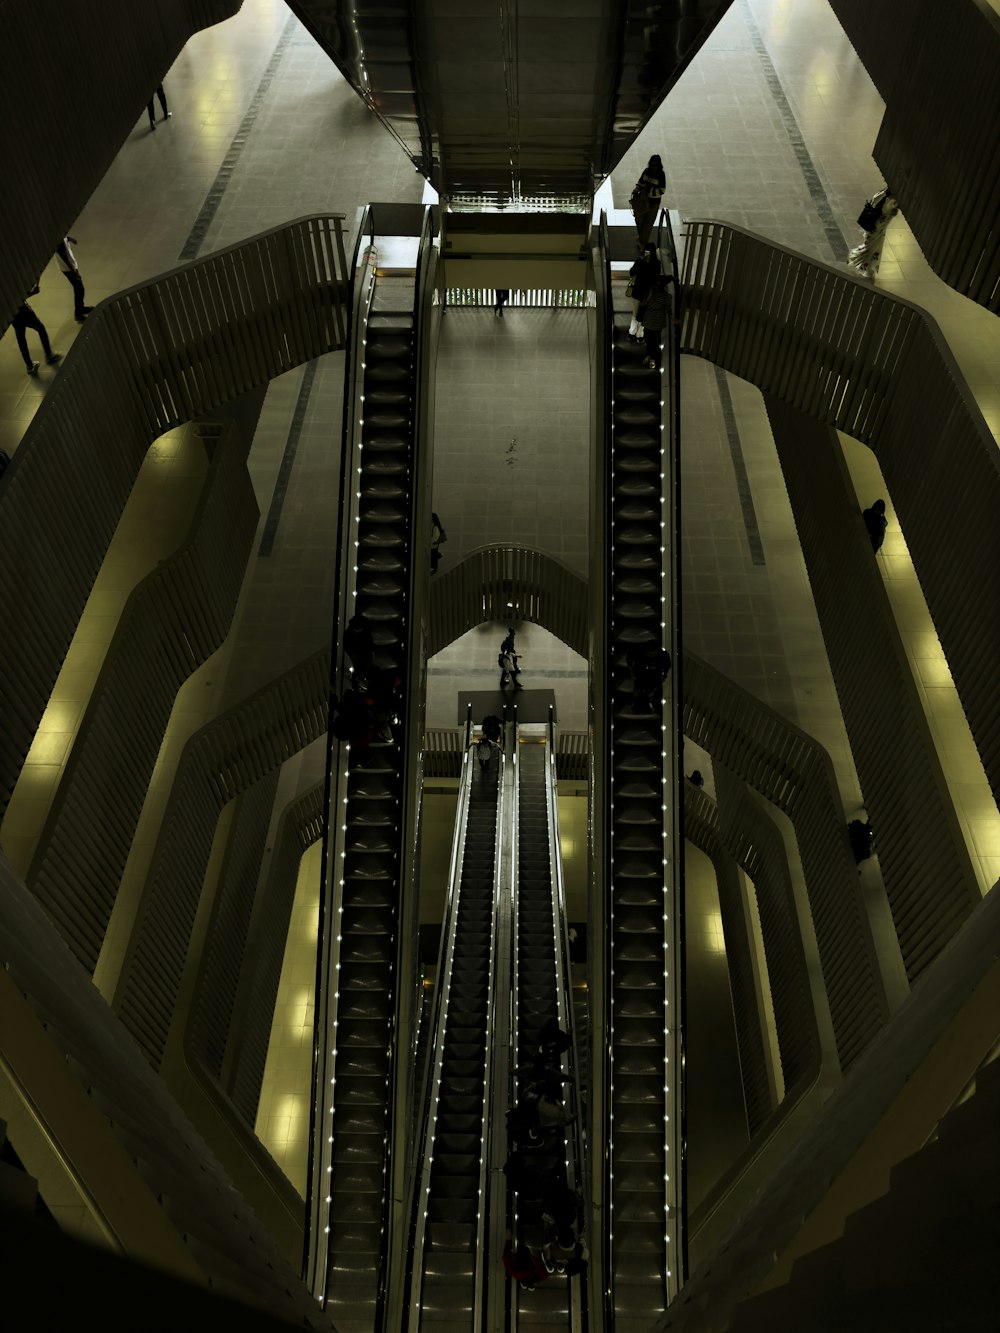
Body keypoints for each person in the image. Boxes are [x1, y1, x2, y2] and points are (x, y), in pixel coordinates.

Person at [847, 187, 898, 282]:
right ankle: (857, 260)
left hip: (872, 226)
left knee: (871, 246)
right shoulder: (891, 202)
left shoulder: (881, 194)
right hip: (878, 229)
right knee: (872, 247)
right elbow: (890, 213)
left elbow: (874, 202)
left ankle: (865, 265)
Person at [11, 299, 62, 376]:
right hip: (23, 310)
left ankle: (29, 366)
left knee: (21, 340)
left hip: (13, 314)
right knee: (41, 328)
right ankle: (49, 355)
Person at [629, 154, 666, 249]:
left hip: (654, 203)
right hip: (642, 201)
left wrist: (649, 192)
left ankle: (643, 243)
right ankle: (642, 239)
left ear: (659, 165)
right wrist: (636, 190)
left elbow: (662, 190)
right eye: (652, 165)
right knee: (639, 219)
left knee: (648, 223)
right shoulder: (646, 172)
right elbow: (640, 182)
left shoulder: (661, 175)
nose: (653, 167)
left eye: (655, 165)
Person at [55, 237, 93, 323]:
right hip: (68, 268)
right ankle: (78, 314)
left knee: (79, 288)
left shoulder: (60, 234)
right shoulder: (57, 240)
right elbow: (64, 257)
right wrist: (74, 271)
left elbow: (65, 237)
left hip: (70, 266)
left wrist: (70, 239)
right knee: (79, 288)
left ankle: (81, 308)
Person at [626, 245, 660, 341]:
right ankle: (639, 335)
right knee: (644, 315)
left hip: (638, 292)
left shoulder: (640, 261)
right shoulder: (656, 263)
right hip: (649, 294)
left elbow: (632, 272)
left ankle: (631, 333)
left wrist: (639, 263)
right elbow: (656, 278)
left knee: (635, 313)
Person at [627, 643, 672, 713]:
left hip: (654, 676)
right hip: (641, 674)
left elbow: (667, 665)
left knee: (653, 692)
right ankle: (634, 707)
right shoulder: (639, 653)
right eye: (650, 654)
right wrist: (632, 673)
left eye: (654, 654)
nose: (652, 656)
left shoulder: (663, 655)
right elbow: (629, 660)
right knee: (639, 690)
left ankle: (652, 708)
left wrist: (665, 675)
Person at [641, 273, 671, 370]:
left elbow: (644, 303)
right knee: (654, 341)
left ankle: (650, 356)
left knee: (650, 340)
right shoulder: (665, 296)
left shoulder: (652, 293)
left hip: (650, 320)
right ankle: (651, 357)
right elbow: (668, 309)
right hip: (656, 321)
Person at [343, 613, 375, 681]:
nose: (357, 631)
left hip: (364, 652)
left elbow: (369, 642)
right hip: (358, 652)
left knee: (364, 665)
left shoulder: (365, 631)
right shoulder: (349, 634)